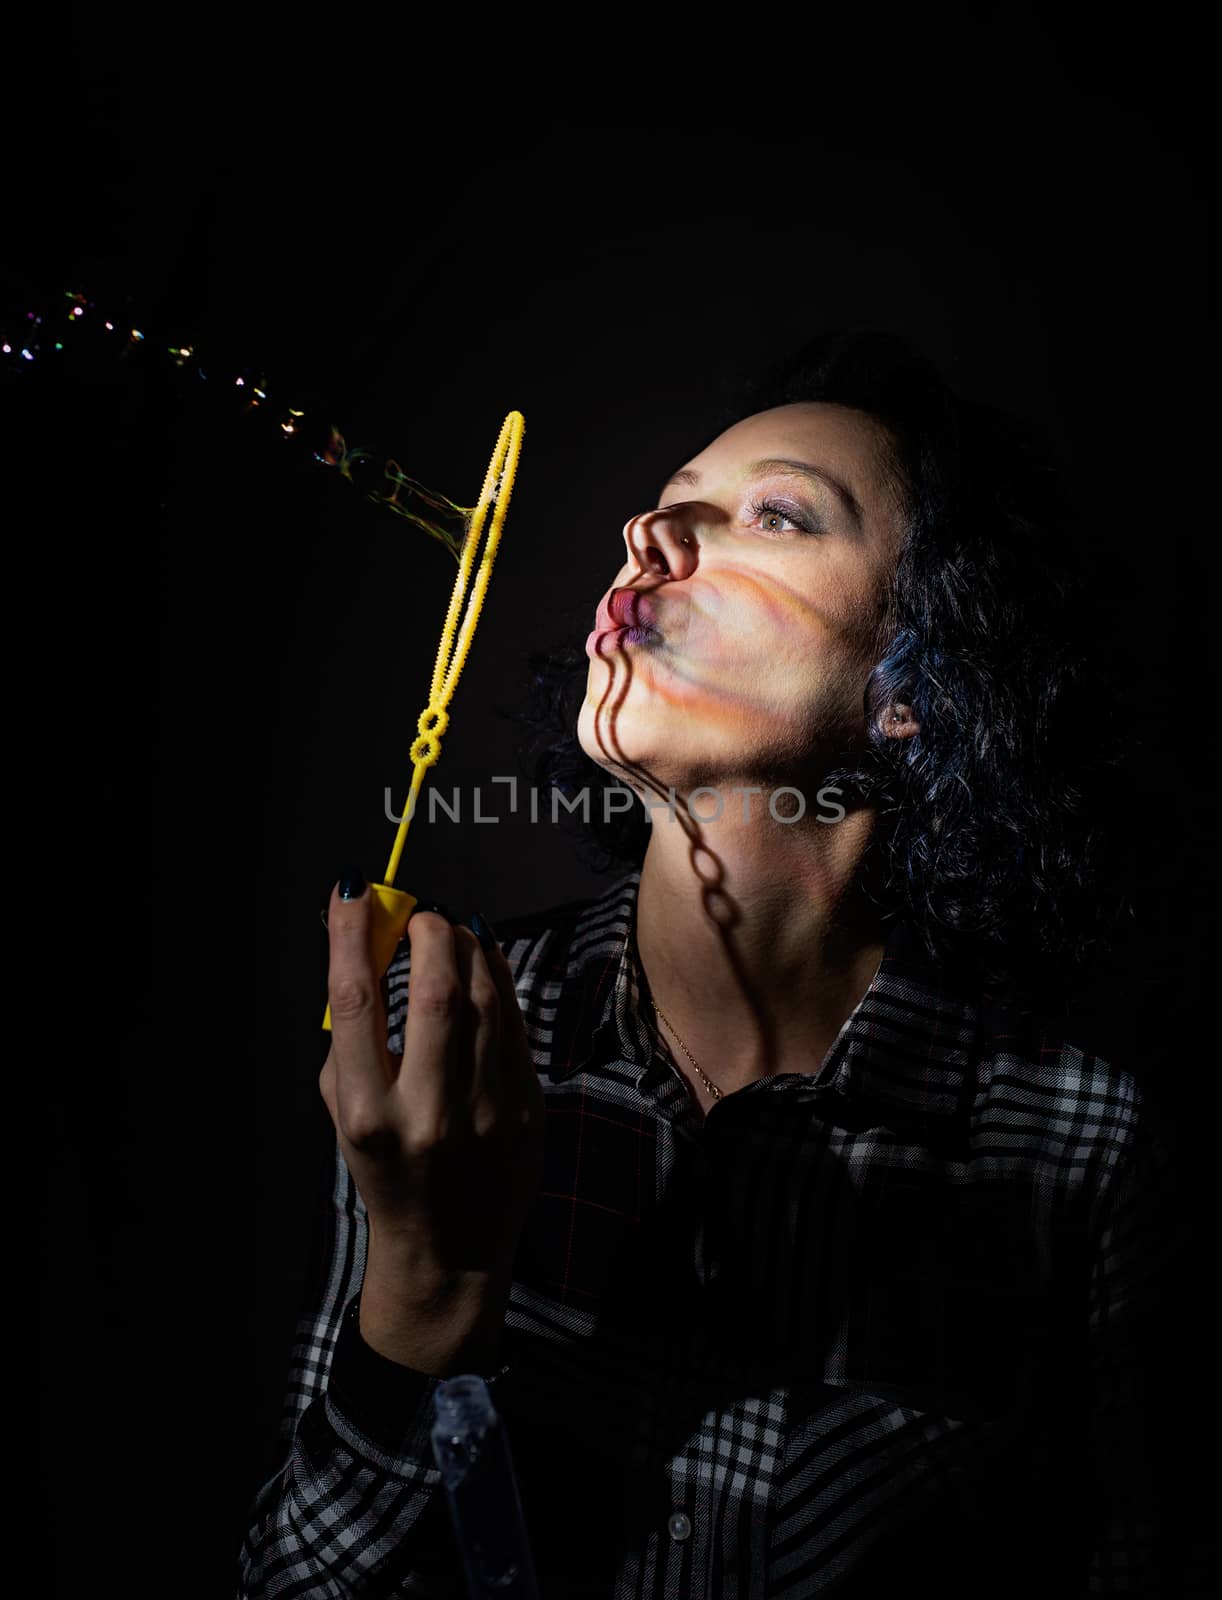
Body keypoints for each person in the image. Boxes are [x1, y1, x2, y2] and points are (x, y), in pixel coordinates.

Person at [237, 328, 1178, 1597]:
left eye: (775, 515)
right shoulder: (451, 1035)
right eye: (670, 501)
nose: (651, 534)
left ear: (916, 686)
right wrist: (417, 1307)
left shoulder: (1086, 1145)